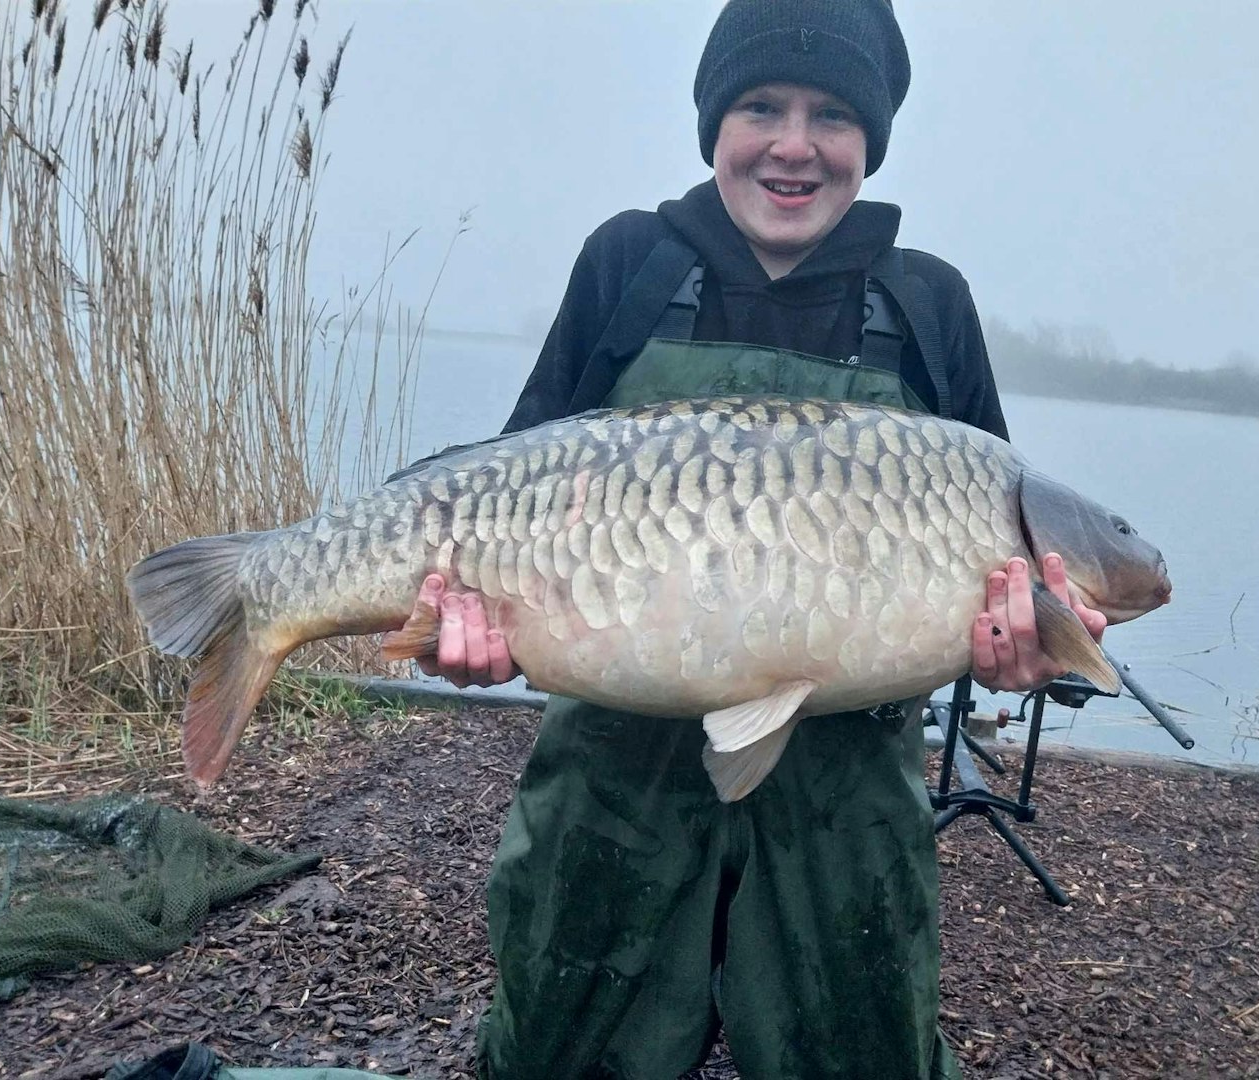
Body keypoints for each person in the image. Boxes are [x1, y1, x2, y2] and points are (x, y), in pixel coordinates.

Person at [391, 2, 1105, 1076]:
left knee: (859, 1053)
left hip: (846, 801)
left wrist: (1022, 651)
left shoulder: (927, 305)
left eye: (831, 115)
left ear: (871, 139)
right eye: (761, 105)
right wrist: (459, 629)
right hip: (611, 783)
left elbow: (997, 562)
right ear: (714, 123)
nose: (794, 143)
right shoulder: (629, 266)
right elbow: (508, 492)